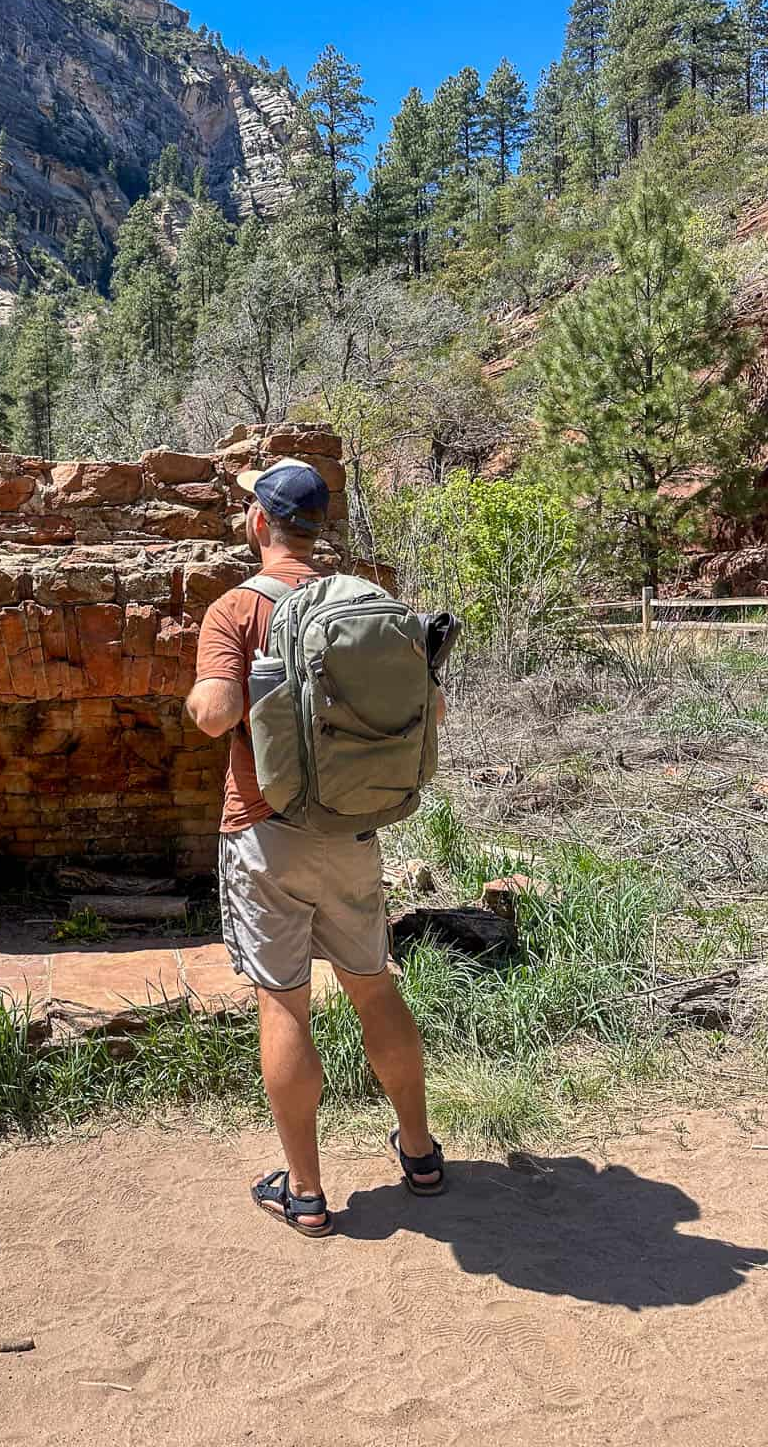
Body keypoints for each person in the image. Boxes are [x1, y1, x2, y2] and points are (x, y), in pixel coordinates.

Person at [185, 457, 445, 1237]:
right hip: (355, 829)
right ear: (318, 525)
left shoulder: (234, 609)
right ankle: (422, 1153)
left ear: (260, 524)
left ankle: (304, 1192)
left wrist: (206, 690)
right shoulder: (368, 607)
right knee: (373, 985)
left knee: (283, 1000)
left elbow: (212, 715)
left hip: (266, 835)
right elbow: (430, 707)